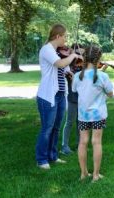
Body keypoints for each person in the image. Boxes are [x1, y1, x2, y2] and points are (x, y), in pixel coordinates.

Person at [35, 24, 82, 170]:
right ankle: (42, 159)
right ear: (58, 36)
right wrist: (74, 55)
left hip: (61, 95)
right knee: (47, 128)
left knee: (56, 128)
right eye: (65, 36)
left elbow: (64, 68)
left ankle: (53, 156)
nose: (66, 40)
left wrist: (70, 73)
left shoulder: (58, 52)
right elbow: (60, 63)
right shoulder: (47, 49)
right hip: (48, 95)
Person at [72, 45, 113, 182]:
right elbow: (110, 94)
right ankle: (95, 175)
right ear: (98, 58)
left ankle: (84, 174)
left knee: (83, 142)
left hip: (83, 115)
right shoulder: (103, 76)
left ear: (84, 58)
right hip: (98, 115)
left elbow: (75, 90)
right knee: (96, 142)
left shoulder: (78, 76)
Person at [61, 43, 85, 155]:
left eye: (82, 53)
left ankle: (80, 144)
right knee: (69, 122)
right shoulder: (68, 65)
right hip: (72, 98)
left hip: (83, 98)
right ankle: (64, 146)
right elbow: (69, 76)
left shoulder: (84, 65)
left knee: (80, 122)